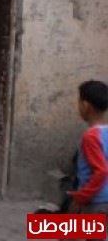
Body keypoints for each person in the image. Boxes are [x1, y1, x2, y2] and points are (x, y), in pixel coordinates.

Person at [68, 80, 108, 217]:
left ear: (85, 106)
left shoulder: (90, 137)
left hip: (97, 203)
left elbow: (101, 172)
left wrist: (80, 198)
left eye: (78, 102)